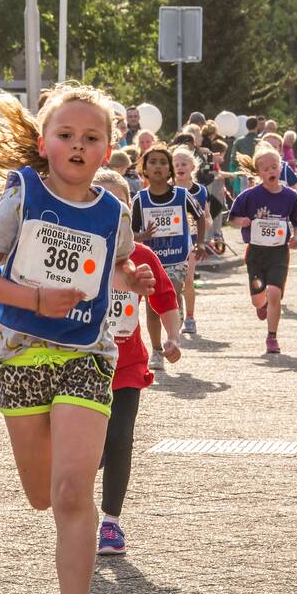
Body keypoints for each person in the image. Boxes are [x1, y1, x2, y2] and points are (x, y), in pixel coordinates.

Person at [0, 85, 154, 594]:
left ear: (107, 151)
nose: (78, 145)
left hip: (87, 355)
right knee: (42, 495)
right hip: (22, 355)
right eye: (66, 134)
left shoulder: (114, 212)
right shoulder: (23, 196)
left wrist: (132, 278)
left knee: (71, 493)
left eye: (91, 137)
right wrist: (37, 299)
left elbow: (116, 265)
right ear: (44, 143)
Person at [92, 168, 180, 556]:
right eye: (100, 200)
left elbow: (165, 299)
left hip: (127, 364)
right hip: (80, 365)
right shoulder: (77, 250)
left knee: (120, 438)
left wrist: (173, 337)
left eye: (117, 204)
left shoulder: (142, 256)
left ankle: (111, 522)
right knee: (90, 446)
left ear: (129, 211)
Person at [131, 145, 205, 367]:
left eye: (163, 162)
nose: (158, 166)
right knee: (152, 306)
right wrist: (143, 236)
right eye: (152, 162)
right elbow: (130, 233)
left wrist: (200, 242)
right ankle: (156, 351)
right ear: (144, 169)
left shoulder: (182, 195)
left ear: (170, 170)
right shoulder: (140, 200)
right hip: (151, 260)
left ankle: (173, 331)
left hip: (177, 259)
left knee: (170, 292)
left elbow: (200, 216)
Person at [228, 143, 297, 354]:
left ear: (281, 168)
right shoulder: (249, 196)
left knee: (274, 293)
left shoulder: (291, 196)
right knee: (258, 299)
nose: (271, 171)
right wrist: (242, 221)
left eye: (274, 167)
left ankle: (272, 337)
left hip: (279, 253)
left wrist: (296, 237)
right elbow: (232, 218)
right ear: (259, 172)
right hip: (256, 254)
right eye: (265, 168)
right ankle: (262, 306)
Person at [171, 146, 210, 335]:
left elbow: (207, 216)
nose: (180, 167)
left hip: (192, 241)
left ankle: (190, 318)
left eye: (184, 164)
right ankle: (174, 317)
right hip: (171, 242)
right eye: (176, 164)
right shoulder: (166, 190)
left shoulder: (200, 191)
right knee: (172, 283)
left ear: (193, 167)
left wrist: (206, 226)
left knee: (187, 279)